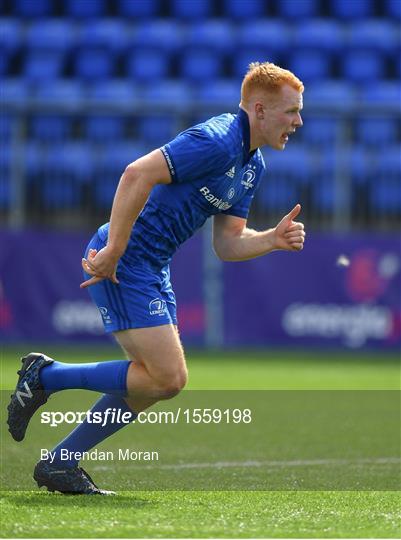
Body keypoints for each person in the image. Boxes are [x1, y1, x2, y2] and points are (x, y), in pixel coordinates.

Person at [7, 62, 306, 495]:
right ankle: (46, 378)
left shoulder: (252, 165)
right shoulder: (218, 140)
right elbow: (136, 173)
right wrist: (113, 250)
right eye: (291, 112)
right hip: (126, 258)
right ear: (259, 110)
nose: (298, 122)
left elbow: (228, 244)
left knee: (153, 382)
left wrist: (271, 240)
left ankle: (59, 461)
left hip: (151, 264)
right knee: (168, 378)